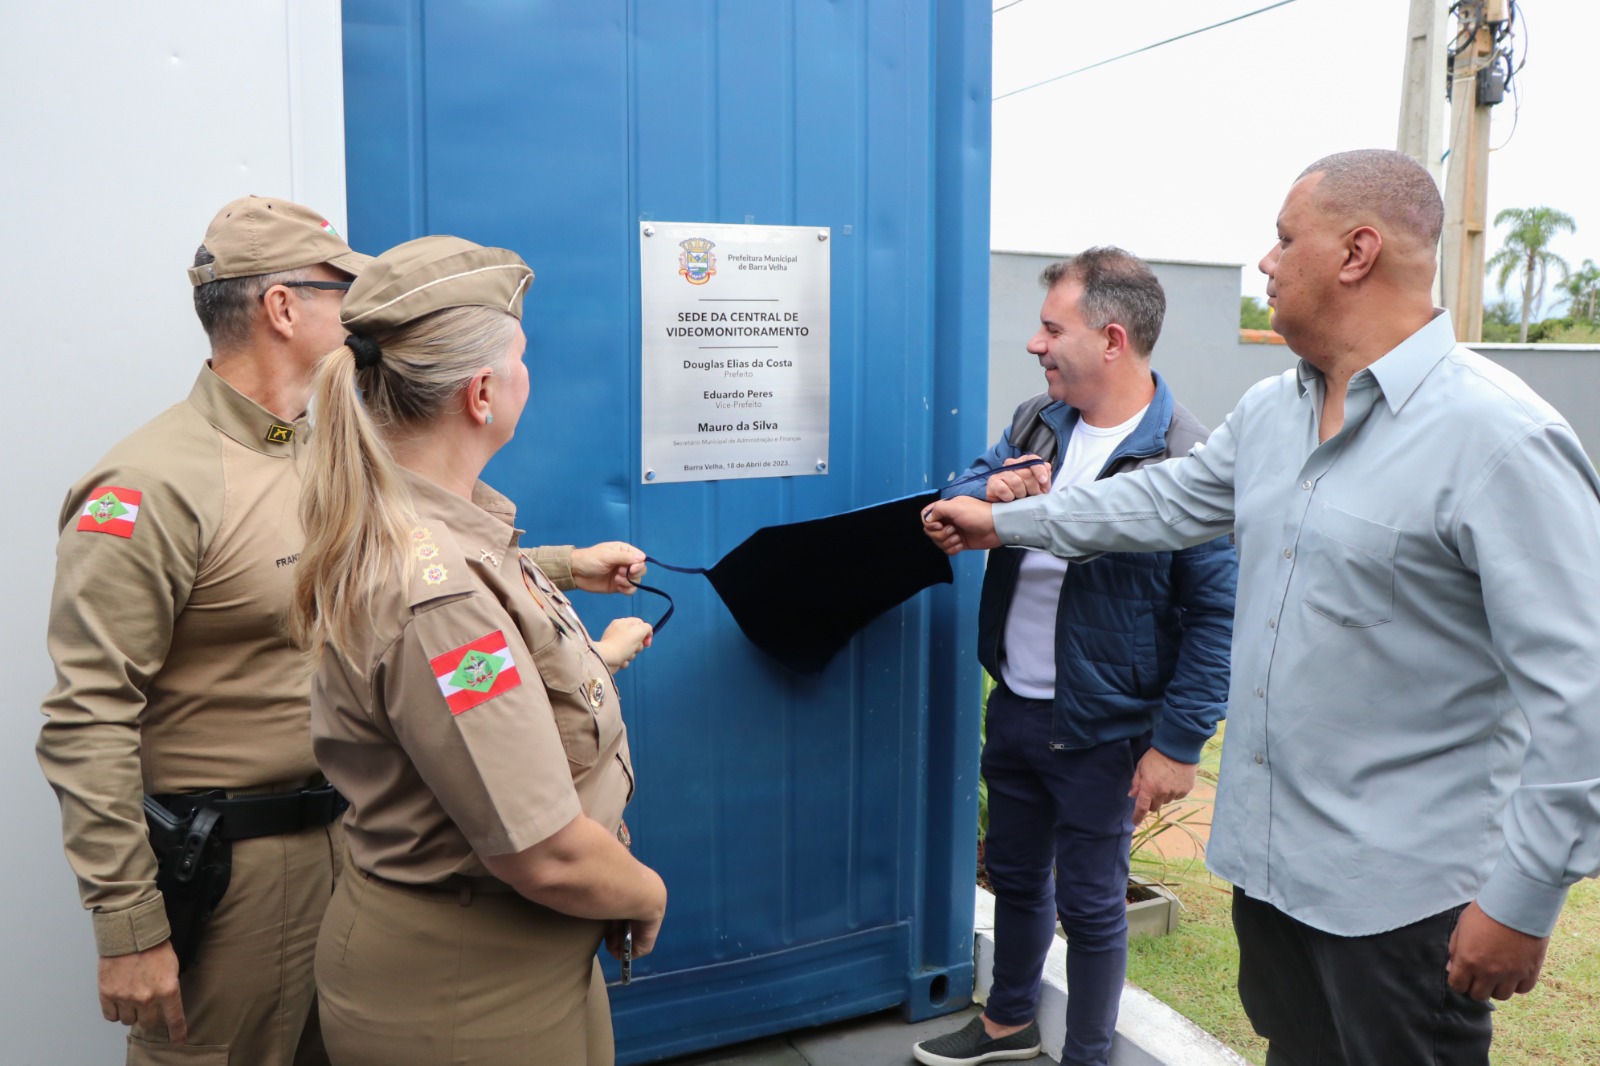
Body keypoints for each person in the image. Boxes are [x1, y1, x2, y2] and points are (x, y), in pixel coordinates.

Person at [923, 149, 1600, 1065]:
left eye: (1286, 239)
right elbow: (1160, 501)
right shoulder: (1273, 414)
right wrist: (1007, 524)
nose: (1267, 262)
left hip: (1402, 900)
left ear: (1357, 252)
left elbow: (1581, 692)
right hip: (1273, 876)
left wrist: (1523, 897)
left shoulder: (1501, 439)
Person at [36, 198, 648, 1066]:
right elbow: (87, 715)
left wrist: (559, 565)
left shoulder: (332, 453)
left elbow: (399, 590)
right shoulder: (152, 484)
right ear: (282, 308)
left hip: (366, 851)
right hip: (242, 877)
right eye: (343, 289)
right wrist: (128, 923)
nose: (363, 314)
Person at [289, 235, 666, 1066]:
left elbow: (503, 712)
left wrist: (592, 646)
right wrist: (646, 893)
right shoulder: (441, 592)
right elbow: (546, 855)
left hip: (500, 967)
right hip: (472, 997)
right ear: (483, 391)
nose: (530, 375)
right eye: (521, 357)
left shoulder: (442, 537)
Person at [912, 249, 1236, 1066]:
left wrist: (1177, 745)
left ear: (1112, 339)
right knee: (1017, 879)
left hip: (1105, 727)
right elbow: (968, 484)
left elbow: (1217, 614)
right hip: (1017, 702)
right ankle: (1007, 1026)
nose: (1036, 344)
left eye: (1053, 328)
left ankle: (1087, 1057)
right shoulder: (1038, 420)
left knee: (1092, 906)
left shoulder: (1187, 460)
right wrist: (981, 496)